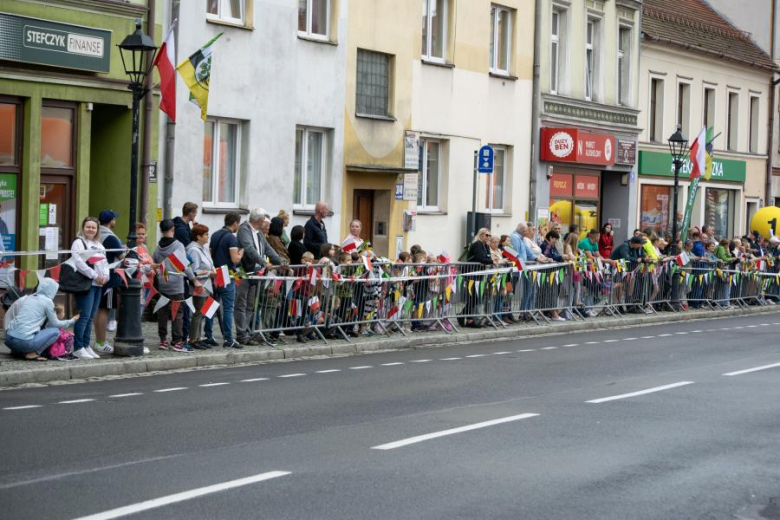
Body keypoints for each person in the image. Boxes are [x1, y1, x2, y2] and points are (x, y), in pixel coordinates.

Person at [236, 209, 281, 346]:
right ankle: (241, 334)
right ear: (259, 220)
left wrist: (283, 263)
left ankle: (247, 333)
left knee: (251, 305)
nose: (266, 224)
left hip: (256, 273)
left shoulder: (259, 232)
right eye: (264, 221)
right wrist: (264, 262)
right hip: (244, 272)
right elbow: (249, 249)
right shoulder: (245, 230)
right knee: (241, 305)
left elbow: (268, 249)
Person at [4, 279, 78, 361]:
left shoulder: (29, 298)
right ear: (51, 290)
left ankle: (18, 351)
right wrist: (72, 320)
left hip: (8, 339)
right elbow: (55, 324)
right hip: (23, 343)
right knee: (55, 331)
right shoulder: (48, 301)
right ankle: (33, 354)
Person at [154, 219, 200, 352]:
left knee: (162, 312)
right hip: (176, 284)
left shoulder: (158, 247)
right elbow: (184, 264)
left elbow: (155, 261)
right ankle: (177, 342)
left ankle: (163, 340)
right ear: (173, 229)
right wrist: (194, 279)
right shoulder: (178, 245)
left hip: (163, 282)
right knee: (177, 313)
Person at [71, 216, 109, 359]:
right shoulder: (78, 243)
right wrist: (94, 276)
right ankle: (78, 347)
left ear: (97, 229)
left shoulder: (99, 245)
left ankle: (86, 345)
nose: (91, 230)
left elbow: (105, 264)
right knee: (84, 316)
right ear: (83, 227)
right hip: (86, 285)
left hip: (98, 285)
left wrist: (105, 276)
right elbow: (79, 263)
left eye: (93, 227)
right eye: (88, 227)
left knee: (91, 316)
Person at [210, 212, 244, 349]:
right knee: (228, 308)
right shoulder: (231, 238)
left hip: (215, 273)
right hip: (226, 275)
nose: (238, 226)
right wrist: (242, 252)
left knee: (211, 306)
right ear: (235, 223)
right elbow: (235, 259)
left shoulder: (214, 235)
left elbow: (211, 254)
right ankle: (228, 339)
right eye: (238, 223)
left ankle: (208, 335)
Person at [94, 209, 124, 355]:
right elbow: (122, 257)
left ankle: (96, 341)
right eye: (114, 219)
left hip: (95, 277)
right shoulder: (112, 238)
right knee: (104, 310)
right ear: (111, 221)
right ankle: (101, 342)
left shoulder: (96, 235)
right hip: (109, 278)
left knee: (96, 310)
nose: (115, 221)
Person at [186, 223, 217, 349]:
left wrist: (213, 271)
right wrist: (210, 273)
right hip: (199, 285)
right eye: (205, 234)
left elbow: (209, 264)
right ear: (198, 237)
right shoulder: (193, 250)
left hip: (207, 285)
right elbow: (194, 271)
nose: (207, 236)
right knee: (198, 312)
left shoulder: (203, 248)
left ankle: (198, 337)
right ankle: (193, 338)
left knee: (203, 311)